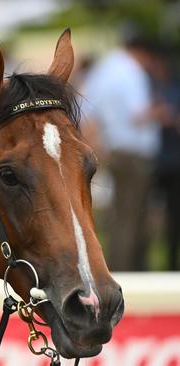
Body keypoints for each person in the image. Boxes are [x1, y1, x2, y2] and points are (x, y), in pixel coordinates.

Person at [81, 33, 161, 271]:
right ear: (142, 52)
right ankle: (125, 268)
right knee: (131, 217)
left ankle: (119, 266)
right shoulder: (131, 72)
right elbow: (138, 114)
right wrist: (161, 112)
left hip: (115, 147)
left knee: (120, 215)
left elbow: (89, 107)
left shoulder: (106, 67)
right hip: (133, 151)